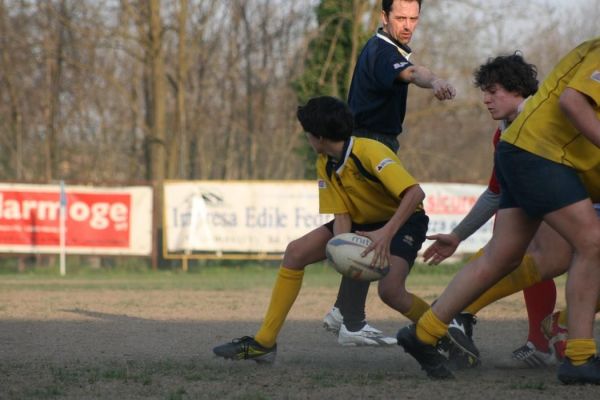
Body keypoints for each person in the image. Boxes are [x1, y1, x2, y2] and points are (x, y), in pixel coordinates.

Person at [397, 38, 600, 384]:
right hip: (543, 154)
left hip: (525, 150)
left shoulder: (514, 127)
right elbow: (572, 101)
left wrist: (458, 234)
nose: (487, 99)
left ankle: (425, 332)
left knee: (502, 257)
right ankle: (579, 357)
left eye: (494, 91)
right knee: (591, 244)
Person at [213, 96, 438, 372]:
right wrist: (341, 250)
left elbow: (415, 193)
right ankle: (264, 342)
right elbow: (342, 216)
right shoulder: (326, 162)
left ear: (318, 137)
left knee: (391, 291)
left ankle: (442, 332)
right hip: (359, 221)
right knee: (295, 252)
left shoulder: (370, 151)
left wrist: (384, 234)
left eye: (307, 133)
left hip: (404, 221)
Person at [323, 0, 456, 347]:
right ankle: (352, 319)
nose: (408, 24)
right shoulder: (383, 50)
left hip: (370, 143)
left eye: (413, 18)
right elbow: (412, 73)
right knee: (383, 225)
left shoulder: (385, 48)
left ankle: (343, 311)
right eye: (400, 17)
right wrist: (437, 80)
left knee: (364, 229)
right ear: (384, 17)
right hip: (370, 145)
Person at [423, 52, 560, 368]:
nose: (485, 99)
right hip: (572, 206)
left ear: (517, 90)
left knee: (542, 250)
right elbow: (496, 193)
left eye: (492, 91)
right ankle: (546, 342)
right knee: (531, 246)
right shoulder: (504, 133)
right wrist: (457, 235)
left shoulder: (545, 119)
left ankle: (458, 312)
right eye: (483, 91)